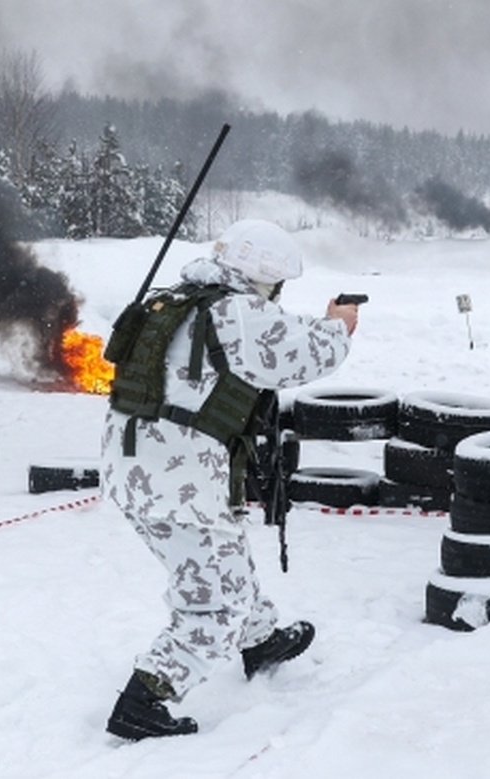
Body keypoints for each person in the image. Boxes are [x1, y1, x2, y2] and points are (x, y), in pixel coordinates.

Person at [99, 219, 359, 741]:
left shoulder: (177, 299)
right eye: (278, 282)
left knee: (223, 560)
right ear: (263, 275)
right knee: (217, 602)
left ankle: (261, 640)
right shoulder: (238, 311)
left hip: (134, 470)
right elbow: (307, 355)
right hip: (182, 479)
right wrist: (339, 325)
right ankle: (145, 697)